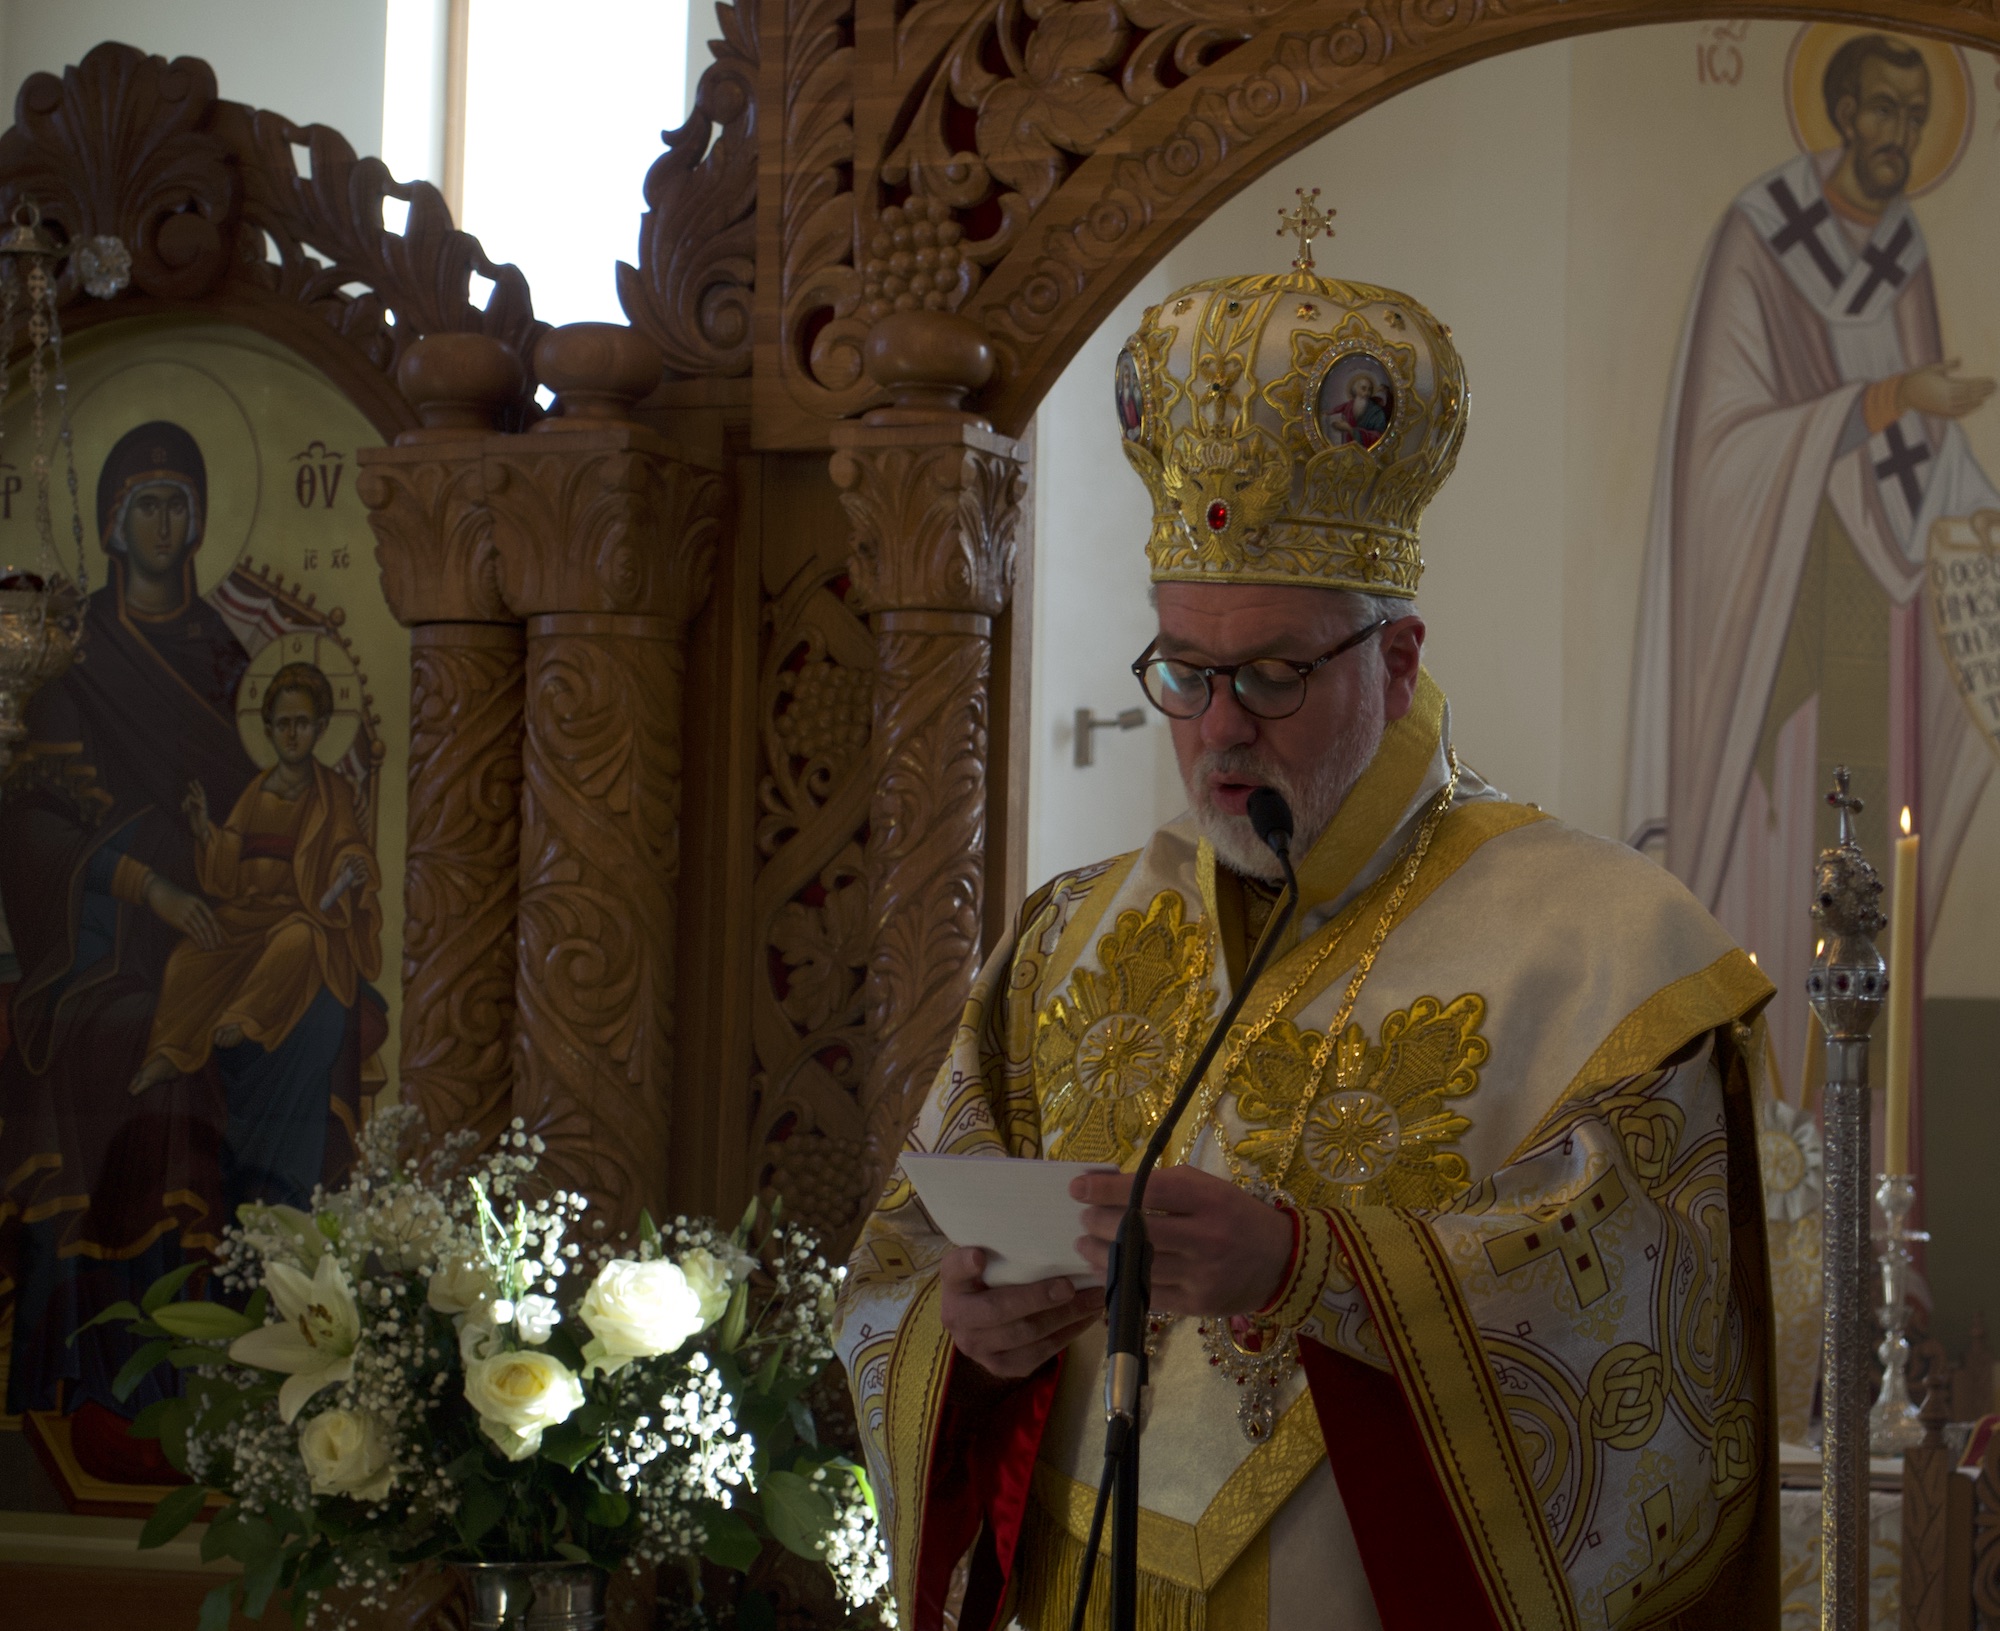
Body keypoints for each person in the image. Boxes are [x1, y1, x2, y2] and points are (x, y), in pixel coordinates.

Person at [837, 255, 1777, 1628]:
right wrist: (969, 1333)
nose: (1220, 726)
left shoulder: (1608, 949)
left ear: (1394, 662)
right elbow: (902, 1271)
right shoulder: (1067, 939)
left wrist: (1307, 1267)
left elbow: (1657, 1346)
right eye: (1184, 670)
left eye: (1274, 673)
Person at [1626, 31, 1996, 1096]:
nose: (1896, 134)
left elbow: (1920, 447)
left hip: (1881, 612)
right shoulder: (1760, 237)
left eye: (1913, 116)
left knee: (1870, 850)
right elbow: (1722, 447)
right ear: (1837, 111)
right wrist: (1886, 399)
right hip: (1776, 617)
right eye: (1880, 109)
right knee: (1780, 849)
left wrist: (1974, 502)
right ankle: (1764, 1123)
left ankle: (1854, 1130)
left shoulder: (1904, 248)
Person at [0, 423, 368, 1478]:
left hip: (240, 919)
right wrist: (150, 884)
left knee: (325, 1014)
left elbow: (283, 804)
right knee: (139, 1051)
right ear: (113, 522)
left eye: (178, 502)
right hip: (103, 946)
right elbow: (28, 827)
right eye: (144, 503)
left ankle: (275, 1309)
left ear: (200, 521)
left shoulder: (230, 664)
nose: (163, 523)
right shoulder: (70, 669)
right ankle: (123, 1369)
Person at [130, 661, 381, 1206]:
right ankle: (172, 1048)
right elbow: (226, 870)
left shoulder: (332, 792)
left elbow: (348, 847)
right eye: (282, 724)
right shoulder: (258, 789)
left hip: (304, 917)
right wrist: (204, 830)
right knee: (191, 955)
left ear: (320, 728)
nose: (292, 734)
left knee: (296, 941)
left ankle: (244, 1017)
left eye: (302, 723)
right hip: (248, 916)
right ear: (267, 728)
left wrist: (355, 866)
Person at [1325, 370, 1389, 448]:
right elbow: (1337, 410)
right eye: (1363, 389)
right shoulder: (1350, 405)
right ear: (1355, 390)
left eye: (1369, 390)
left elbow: (1379, 437)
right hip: (1347, 448)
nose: (1366, 393)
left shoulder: (1377, 412)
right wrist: (1329, 413)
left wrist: (1350, 430)